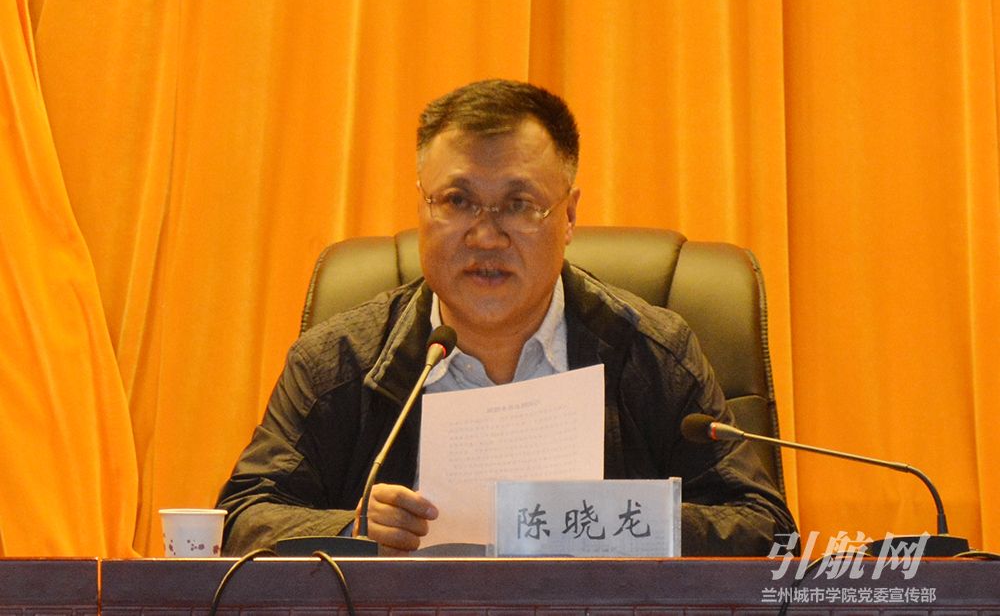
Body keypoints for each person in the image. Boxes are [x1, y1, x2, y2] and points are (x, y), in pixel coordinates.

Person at [216, 78, 797, 556]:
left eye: (519, 205)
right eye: (457, 201)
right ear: (422, 206)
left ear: (569, 217)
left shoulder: (650, 353)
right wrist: (352, 528)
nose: (486, 236)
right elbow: (244, 515)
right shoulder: (340, 361)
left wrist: (615, 520)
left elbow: (765, 526)